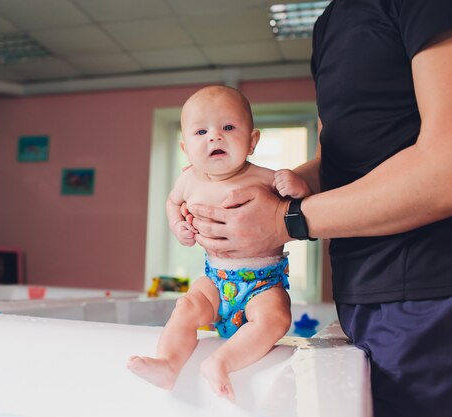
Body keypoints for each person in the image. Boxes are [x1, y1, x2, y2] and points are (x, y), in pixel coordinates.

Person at [185, 2, 452, 416]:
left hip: (430, 290)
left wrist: (283, 220)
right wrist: (265, 197)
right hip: (360, 293)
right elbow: (335, 159)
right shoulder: (329, 22)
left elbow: (446, 167)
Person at [127, 85, 311, 400]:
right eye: (201, 131)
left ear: (252, 141)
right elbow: (172, 203)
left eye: (228, 127)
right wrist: (177, 226)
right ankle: (168, 365)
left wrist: (297, 185)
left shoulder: (265, 178)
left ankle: (220, 361)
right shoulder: (187, 180)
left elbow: (301, 206)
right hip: (216, 279)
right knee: (185, 306)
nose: (215, 136)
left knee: (276, 318)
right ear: (186, 148)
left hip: (262, 283)